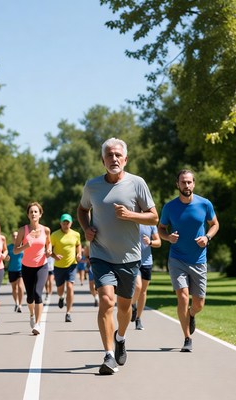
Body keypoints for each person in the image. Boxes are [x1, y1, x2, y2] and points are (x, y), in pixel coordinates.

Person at [77, 137, 158, 375]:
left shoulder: (137, 183)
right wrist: (86, 228)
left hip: (130, 257)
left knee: (124, 308)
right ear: (103, 160)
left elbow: (153, 217)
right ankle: (109, 355)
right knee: (106, 301)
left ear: (125, 159)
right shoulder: (92, 186)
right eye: (109, 155)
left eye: (118, 155)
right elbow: (82, 210)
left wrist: (131, 215)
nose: (114, 159)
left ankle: (120, 337)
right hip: (101, 254)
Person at [158, 169, 219, 352]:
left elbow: (215, 224)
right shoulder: (169, 207)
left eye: (189, 182)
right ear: (178, 184)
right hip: (177, 259)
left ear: (194, 183)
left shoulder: (204, 204)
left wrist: (207, 238)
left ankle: (191, 315)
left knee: (198, 303)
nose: (186, 185)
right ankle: (187, 338)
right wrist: (168, 238)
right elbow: (161, 228)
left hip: (199, 260)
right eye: (183, 182)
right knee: (183, 297)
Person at [13, 202, 51, 335]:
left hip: (42, 266)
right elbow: (15, 250)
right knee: (30, 297)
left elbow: (48, 243)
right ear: (28, 215)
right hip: (27, 267)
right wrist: (24, 246)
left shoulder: (46, 230)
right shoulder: (23, 230)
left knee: (38, 294)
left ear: (40, 214)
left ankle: (37, 324)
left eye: (36, 211)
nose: (33, 214)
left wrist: (49, 249)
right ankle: (31, 314)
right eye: (31, 212)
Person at [50, 213, 82, 323]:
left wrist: (79, 254)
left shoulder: (76, 234)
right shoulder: (54, 235)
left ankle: (68, 313)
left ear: (71, 223)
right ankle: (61, 297)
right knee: (60, 289)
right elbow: (49, 249)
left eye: (67, 222)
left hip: (71, 265)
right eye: (64, 222)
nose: (65, 224)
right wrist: (54, 256)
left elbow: (78, 244)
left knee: (69, 286)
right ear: (60, 223)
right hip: (58, 266)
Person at [131, 224, 161, 330]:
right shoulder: (132, 220)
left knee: (143, 291)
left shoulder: (151, 224)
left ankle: (138, 319)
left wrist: (150, 242)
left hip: (147, 262)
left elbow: (159, 242)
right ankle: (133, 303)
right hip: (133, 260)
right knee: (138, 287)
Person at [7, 231, 24, 313]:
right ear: (11, 237)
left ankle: (20, 305)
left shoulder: (22, 246)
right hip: (11, 269)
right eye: (13, 236)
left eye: (17, 236)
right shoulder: (9, 247)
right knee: (14, 288)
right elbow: (5, 256)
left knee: (20, 286)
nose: (15, 237)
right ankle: (16, 303)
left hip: (21, 269)